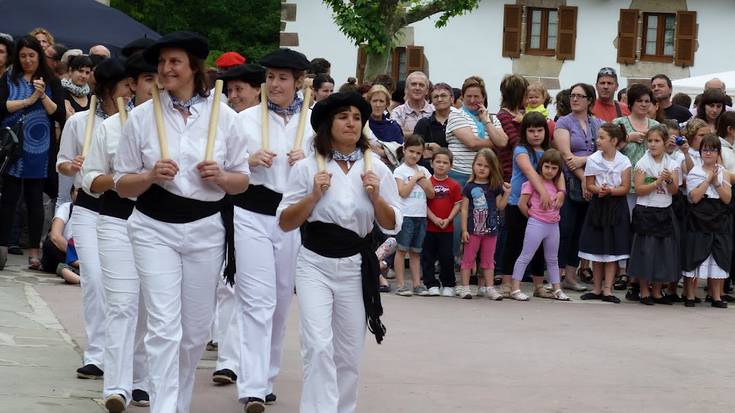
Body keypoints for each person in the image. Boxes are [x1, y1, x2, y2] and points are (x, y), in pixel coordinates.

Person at [114, 31, 250, 413]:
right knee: (163, 326)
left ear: (193, 67)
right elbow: (122, 184)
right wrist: (149, 176)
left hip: (206, 229)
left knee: (194, 333)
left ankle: (177, 404)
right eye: (161, 62)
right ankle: (163, 407)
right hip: (153, 227)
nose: (165, 68)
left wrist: (221, 177)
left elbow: (242, 180)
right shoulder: (141, 118)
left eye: (174, 61)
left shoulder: (224, 117)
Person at [277, 92, 401, 413]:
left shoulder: (377, 170)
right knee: (318, 346)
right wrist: (313, 196)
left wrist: (376, 198)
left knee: (348, 352)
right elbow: (286, 222)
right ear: (327, 125)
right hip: (314, 264)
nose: (351, 123)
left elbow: (391, 224)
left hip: (355, 266)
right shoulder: (307, 168)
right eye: (343, 116)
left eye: (357, 118)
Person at [233, 47, 313, 411]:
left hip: (292, 217)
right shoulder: (244, 120)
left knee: (281, 299)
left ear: (299, 82)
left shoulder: (313, 122)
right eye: (270, 77)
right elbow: (224, 162)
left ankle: (266, 377)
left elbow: (328, 165)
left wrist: (309, 162)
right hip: (251, 212)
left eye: (283, 78)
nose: (275, 84)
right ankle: (251, 385)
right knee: (256, 299)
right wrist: (247, 160)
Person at [81, 52, 155, 411]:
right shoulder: (111, 127)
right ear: (132, 85)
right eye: (148, 80)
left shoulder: (179, 128)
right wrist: (122, 181)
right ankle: (116, 386)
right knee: (122, 303)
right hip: (117, 220)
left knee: (149, 307)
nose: (156, 87)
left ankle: (142, 378)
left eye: (162, 80)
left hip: (160, 224)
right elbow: (90, 178)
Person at [209, 62, 265, 387]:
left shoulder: (275, 121)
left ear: (257, 89)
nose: (233, 95)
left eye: (239, 89)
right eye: (229, 90)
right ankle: (224, 352)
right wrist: (247, 162)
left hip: (262, 213)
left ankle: (239, 359)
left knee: (245, 288)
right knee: (224, 282)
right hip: (225, 205)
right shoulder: (224, 120)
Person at [0, 36, 65, 270]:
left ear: (39, 56)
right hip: (12, 146)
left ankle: (34, 252)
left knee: (35, 199)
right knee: (8, 199)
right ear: (17, 58)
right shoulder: (9, 78)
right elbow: (1, 106)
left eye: (32, 55)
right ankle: (2, 247)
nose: (27, 60)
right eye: (23, 56)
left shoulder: (51, 81)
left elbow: (59, 115)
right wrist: (29, 100)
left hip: (39, 148)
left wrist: (42, 96)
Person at [501, 113, 565, 300]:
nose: (536, 135)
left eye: (539, 130)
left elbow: (559, 173)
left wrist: (561, 192)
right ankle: (507, 283)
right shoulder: (520, 149)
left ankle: (539, 286)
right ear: (524, 132)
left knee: (540, 248)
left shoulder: (548, 150)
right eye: (531, 131)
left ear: (545, 131)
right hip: (518, 203)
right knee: (514, 243)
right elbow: (529, 171)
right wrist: (543, 192)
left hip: (542, 209)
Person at [553, 83, 602, 292]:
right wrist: (583, 178)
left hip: (591, 182)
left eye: (580, 96)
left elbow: (605, 150)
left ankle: (571, 277)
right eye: (572, 95)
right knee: (564, 229)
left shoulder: (597, 123)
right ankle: (556, 276)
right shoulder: (563, 122)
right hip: (569, 181)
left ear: (589, 100)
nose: (574, 99)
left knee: (580, 232)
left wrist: (584, 161)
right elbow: (567, 156)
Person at [578, 123, 632, 304]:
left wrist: (610, 191)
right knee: (597, 248)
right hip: (598, 206)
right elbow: (589, 184)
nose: (598, 141)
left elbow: (625, 187)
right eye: (597, 137)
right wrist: (598, 190)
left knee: (611, 250)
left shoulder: (624, 161)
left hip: (616, 206)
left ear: (614, 140)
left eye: (602, 138)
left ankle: (608, 289)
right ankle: (596, 288)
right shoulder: (593, 159)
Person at [628, 125, 680, 305]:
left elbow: (674, 191)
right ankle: (644, 291)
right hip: (646, 211)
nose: (652, 144)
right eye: (650, 141)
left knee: (662, 253)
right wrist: (657, 182)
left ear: (665, 143)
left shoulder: (672, 164)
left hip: (664, 210)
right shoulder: (642, 163)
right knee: (645, 252)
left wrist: (669, 179)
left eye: (657, 141)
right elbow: (639, 189)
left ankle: (657, 291)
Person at [510, 149, 570, 301]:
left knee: (553, 259)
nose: (550, 171)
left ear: (558, 170)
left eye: (554, 168)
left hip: (553, 225)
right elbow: (521, 203)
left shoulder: (557, 185)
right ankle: (515, 289)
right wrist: (533, 217)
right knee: (525, 256)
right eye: (547, 167)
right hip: (537, 223)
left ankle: (557, 289)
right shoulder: (532, 182)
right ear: (541, 166)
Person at [682, 134, 732, 308]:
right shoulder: (695, 171)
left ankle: (716, 296)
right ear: (700, 152)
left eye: (712, 150)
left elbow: (727, 198)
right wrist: (708, 180)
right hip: (699, 217)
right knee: (694, 254)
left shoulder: (724, 172)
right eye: (705, 150)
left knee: (718, 256)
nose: (708, 153)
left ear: (718, 152)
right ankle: (690, 294)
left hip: (719, 215)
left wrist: (716, 183)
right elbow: (694, 197)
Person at [457, 148, 510, 300]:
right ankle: (465, 287)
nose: (482, 168)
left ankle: (490, 288)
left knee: (488, 261)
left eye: (486, 166)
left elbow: (500, 206)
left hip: (491, 231)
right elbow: (464, 209)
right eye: (479, 164)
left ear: (492, 169)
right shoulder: (469, 186)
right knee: (468, 259)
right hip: (473, 231)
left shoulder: (495, 186)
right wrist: (464, 230)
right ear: (473, 165)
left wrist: (507, 193)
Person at [393, 134, 435, 296]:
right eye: (411, 151)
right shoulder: (400, 171)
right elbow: (403, 192)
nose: (414, 155)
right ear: (404, 150)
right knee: (401, 250)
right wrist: (415, 179)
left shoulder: (424, 170)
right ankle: (400, 285)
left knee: (416, 252)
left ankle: (417, 284)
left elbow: (431, 193)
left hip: (421, 216)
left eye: (418, 153)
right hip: (406, 216)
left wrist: (421, 179)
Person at [421, 148, 461, 297]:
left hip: (447, 228)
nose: (441, 165)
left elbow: (458, 204)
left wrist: (448, 219)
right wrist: (435, 219)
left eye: (445, 162)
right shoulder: (427, 183)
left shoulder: (454, 185)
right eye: (438, 161)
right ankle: (431, 284)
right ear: (431, 163)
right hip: (429, 227)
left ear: (451, 166)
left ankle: (449, 284)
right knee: (428, 257)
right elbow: (423, 204)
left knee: (447, 257)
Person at [614, 83, 660, 213]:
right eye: (639, 101)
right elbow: (608, 151)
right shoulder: (618, 123)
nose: (644, 104)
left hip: (650, 183)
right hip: (624, 184)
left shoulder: (656, 126)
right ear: (631, 102)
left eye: (647, 101)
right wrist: (628, 138)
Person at [414, 82, 453, 170]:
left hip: (455, 170)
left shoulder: (460, 122)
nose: (439, 99)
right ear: (431, 101)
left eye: (443, 96)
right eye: (435, 97)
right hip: (428, 171)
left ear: (452, 99)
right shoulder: (423, 123)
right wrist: (429, 145)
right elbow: (414, 146)